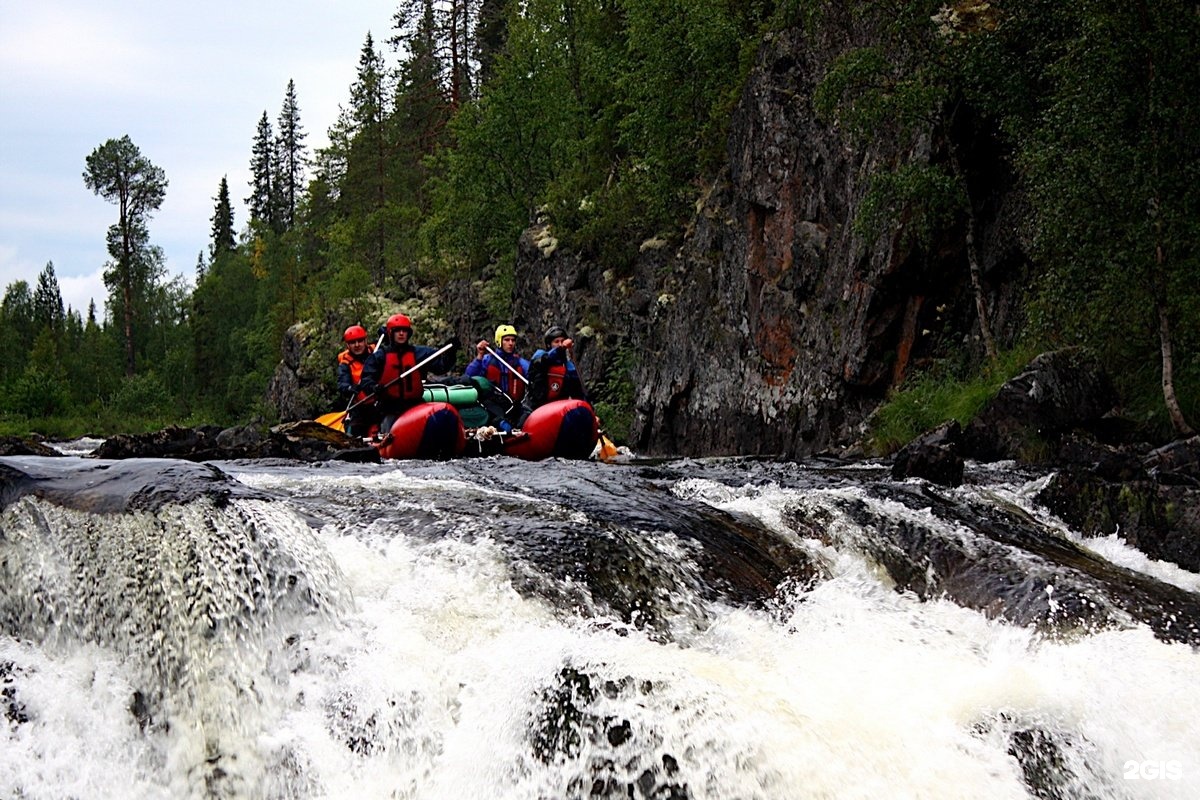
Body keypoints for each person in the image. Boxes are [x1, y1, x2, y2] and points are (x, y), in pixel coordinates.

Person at [359, 313, 459, 434]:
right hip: (390, 407)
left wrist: (451, 353)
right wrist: (373, 387)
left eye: (404, 331)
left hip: (415, 405)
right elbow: (366, 379)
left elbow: (441, 367)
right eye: (398, 331)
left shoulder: (420, 353)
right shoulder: (380, 357)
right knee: (387, 427)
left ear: (409, 333)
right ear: (391, 333)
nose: (401, 334)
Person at [465, 324, 529, 431]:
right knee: (498, 419)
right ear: (499, 341)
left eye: (513, 340)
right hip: (493, 406)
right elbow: (469, 376)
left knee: (526, 415)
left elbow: (533, 375)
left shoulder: (520, 363)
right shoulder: (487, 360)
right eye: (507, 340)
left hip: (513, 406)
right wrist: (480, 355)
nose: (510, 343)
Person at [522, 324, 589, 421]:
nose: (560, 344)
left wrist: (589, 412)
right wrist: (560, 348)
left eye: (562, 341)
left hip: (559, 411)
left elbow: (579, 395)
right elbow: (546, 359)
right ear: (549, 345)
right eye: (556, 342)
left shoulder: (569, 367)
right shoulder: (540, 356)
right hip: (534, 409)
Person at [335, 324, 378, 437]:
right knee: (356, 429)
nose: (357, 345)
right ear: (347, 345)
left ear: (365, 341)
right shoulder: (345, 363)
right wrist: (350, 388)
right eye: (353, 342)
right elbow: (342, 383)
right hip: (361, 406)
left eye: (360, 341)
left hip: (382, 402)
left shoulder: (377, 351)